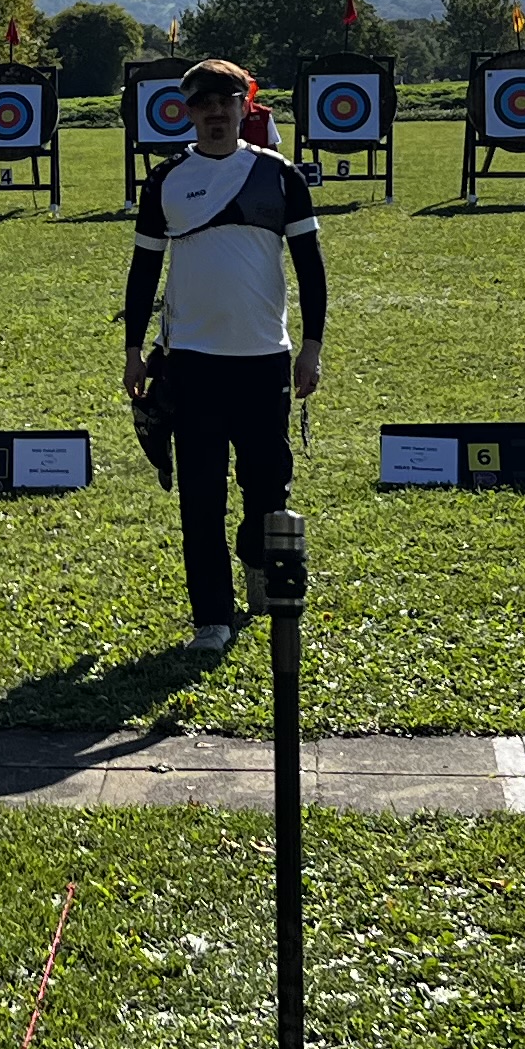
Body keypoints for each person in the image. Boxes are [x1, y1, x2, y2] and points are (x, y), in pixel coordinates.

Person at [121, 59, 328, 654]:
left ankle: (258, 563)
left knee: (268, 486)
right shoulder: (165, 180)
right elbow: (143, 269)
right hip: (192, 361)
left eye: (226, 102)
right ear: (186, 112)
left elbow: (310, 267)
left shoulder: (280, 176)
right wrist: (134, 351)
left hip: (265, 359)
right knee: (201, 495)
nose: (215, 113)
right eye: (203, 104)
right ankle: (210, 616)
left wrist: (311, 347)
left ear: (245, 107)